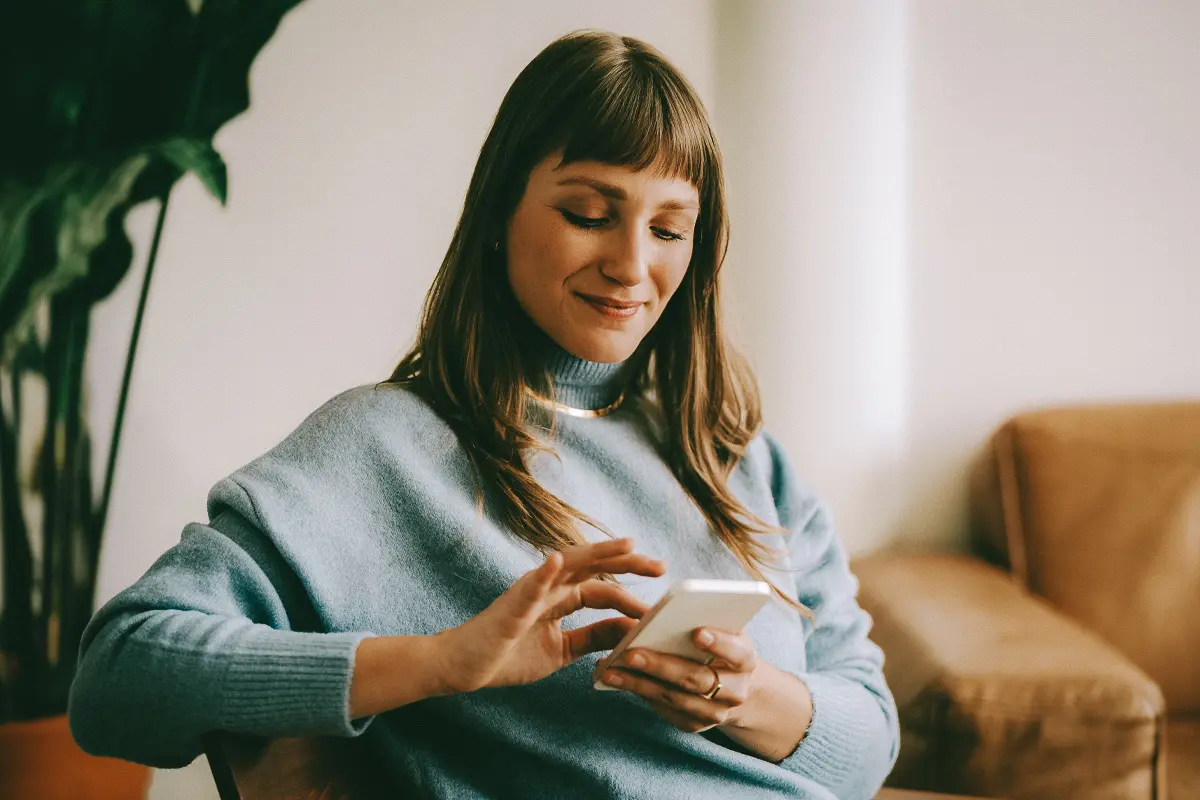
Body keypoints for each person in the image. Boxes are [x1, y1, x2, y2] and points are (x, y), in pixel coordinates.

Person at [68, 29, 899, 800]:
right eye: (588, 215)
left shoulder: (740, 459)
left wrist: (746, 696)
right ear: (501, 213)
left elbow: (870, 744)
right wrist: (437, 662)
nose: (632, 265)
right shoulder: (380, 449)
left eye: (670, 228)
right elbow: (117, 679)